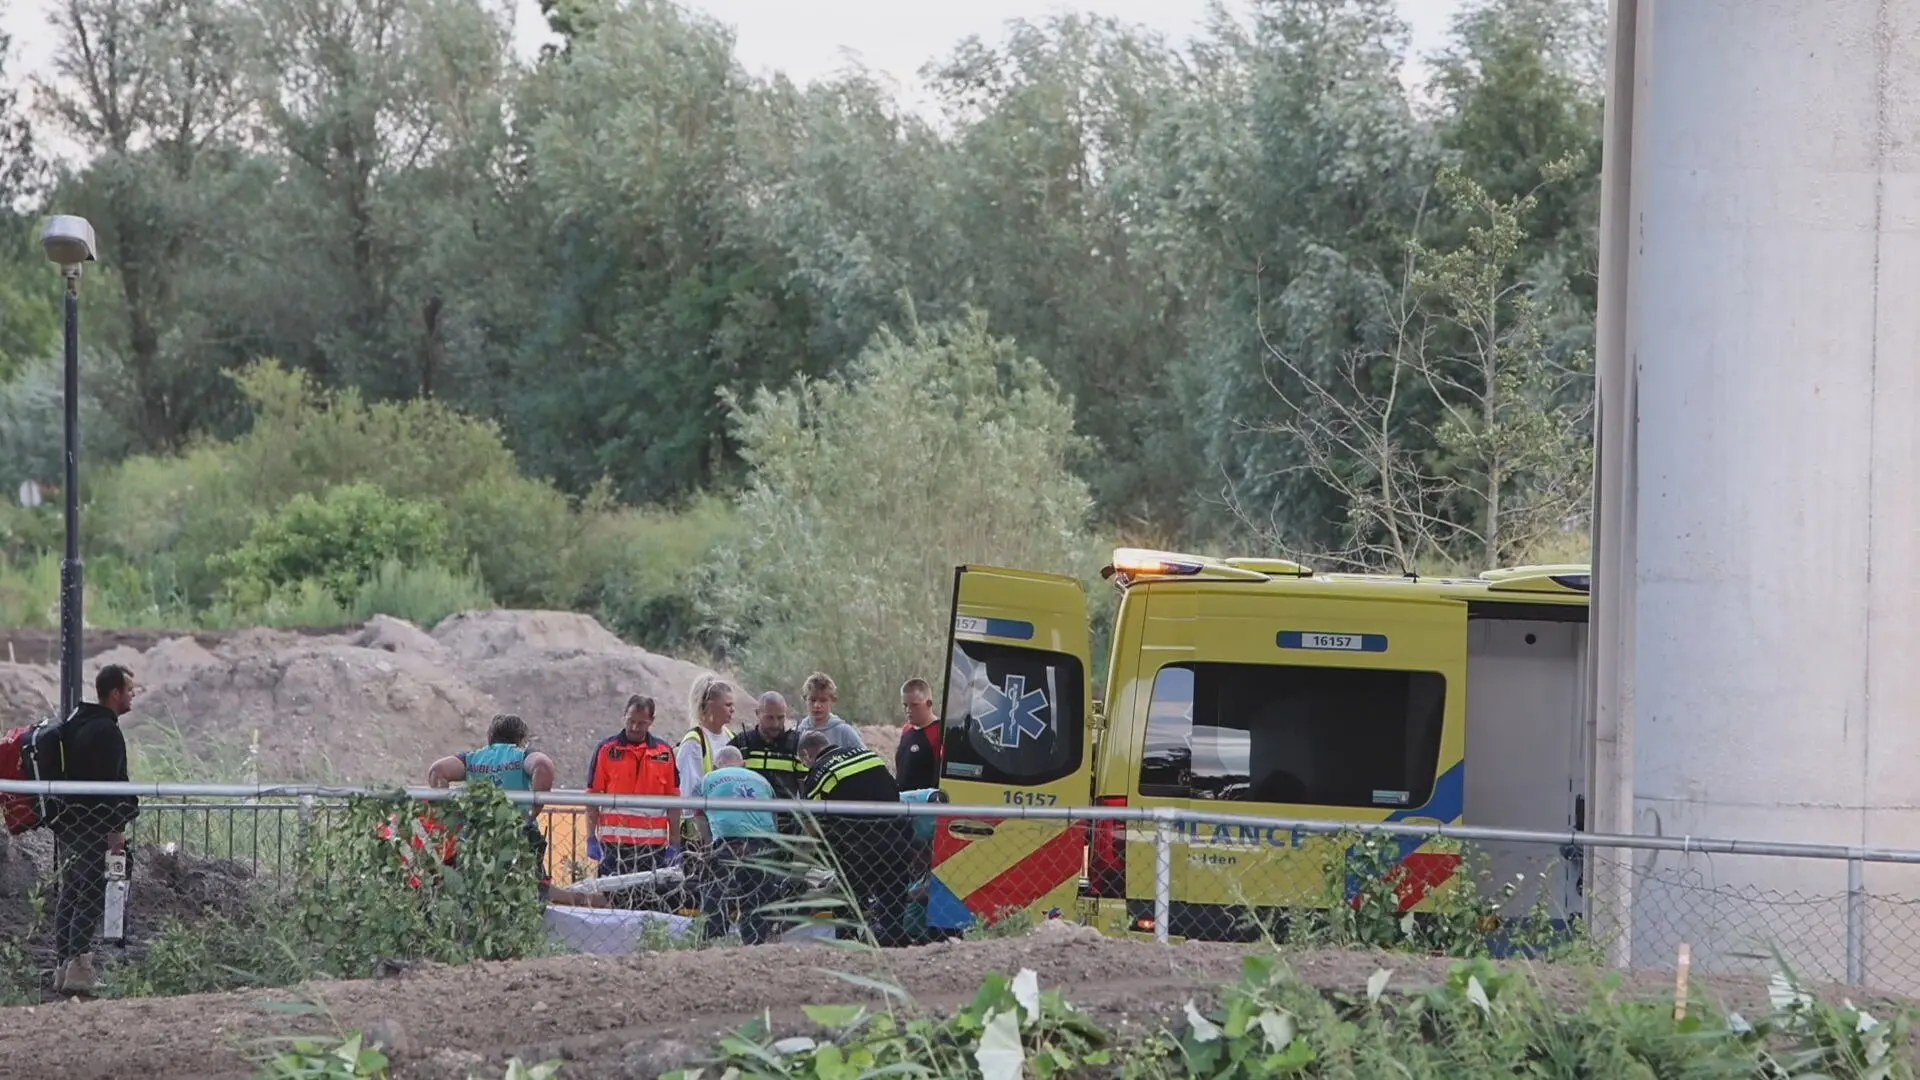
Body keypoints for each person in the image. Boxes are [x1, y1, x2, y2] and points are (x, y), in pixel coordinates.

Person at [51, 664, 141, 996]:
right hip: (94, 828)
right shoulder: (107, 731)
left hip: (69, 824)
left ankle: (64, 967)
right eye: (130, 689)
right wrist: (116, 830)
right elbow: (110, 787)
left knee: (70, 894)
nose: (133, 695)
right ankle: (79, 967)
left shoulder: (77, 723)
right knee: (91, 893)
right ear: (114, 693)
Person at [796, 730, 915, 947]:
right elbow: (892, 789)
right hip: (896, 841)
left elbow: (811, 828)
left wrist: (800, 867)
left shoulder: (818, 774)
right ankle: (893, 952)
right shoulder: (867, 754)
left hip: (856, 850)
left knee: (848, 909)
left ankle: (849, 952)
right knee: (892, 907)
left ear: (806, 754)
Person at [425, 713, 558, 898]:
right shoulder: (521, 756)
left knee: (475, 893)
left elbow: (437, 771)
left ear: (491, 736)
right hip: (517, 838)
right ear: (521, 739)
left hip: (478, 838)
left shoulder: (474, 759)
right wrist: (531, 812)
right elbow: (544, 767)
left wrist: (451, 817)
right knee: (529, 892)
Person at [584, 695, 680, 884]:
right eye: (631, 721)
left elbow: (674, 801)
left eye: (641, 723)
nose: (635, 728)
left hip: (653, 846)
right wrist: (590, 837)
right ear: (624, 716)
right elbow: (593, 796)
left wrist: (675, 842)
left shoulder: (664, 753)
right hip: (614, 845)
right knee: (612, 900)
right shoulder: (606, 750)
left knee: (649, 901)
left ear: (652, 721)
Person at [689, 745, 780, 943]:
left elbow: (699, 818)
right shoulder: (762, 781)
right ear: (744, 764)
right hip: (762, 841)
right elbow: (774, 818)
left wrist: (706, 847)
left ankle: (713, 940)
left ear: (715, 766)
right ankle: (755, 942)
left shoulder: (707, 780)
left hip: (727, 840)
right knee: (756, 897)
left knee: (716, 893)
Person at [732, 691, 806, 833]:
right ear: (757, 713)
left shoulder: (797, 745)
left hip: (787, 827)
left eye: (780, 717)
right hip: (748, 826)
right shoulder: (740, 744)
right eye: (769, 718)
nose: (776, 724)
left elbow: (807, 790)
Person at [678, 675, 737, 801]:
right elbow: (689, 790)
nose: (733, 710)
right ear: (710, 706)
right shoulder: (694, 742)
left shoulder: (731, 737)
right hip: (703, 816)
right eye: (727, 705)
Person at [894, 677, 943, 792]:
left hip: (923, 804)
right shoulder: (907, 730)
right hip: (901, 802)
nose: (908, 710)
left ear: (929, 703)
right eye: (905, 705)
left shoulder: (939, 732)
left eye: (914, 705)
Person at [797, 672, 865, 753]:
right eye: (812, 700)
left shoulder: (844, 732)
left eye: (823, 700)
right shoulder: (798, 732)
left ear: (833, 700)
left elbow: (866, 759)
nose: (817, 705)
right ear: (805, 699)